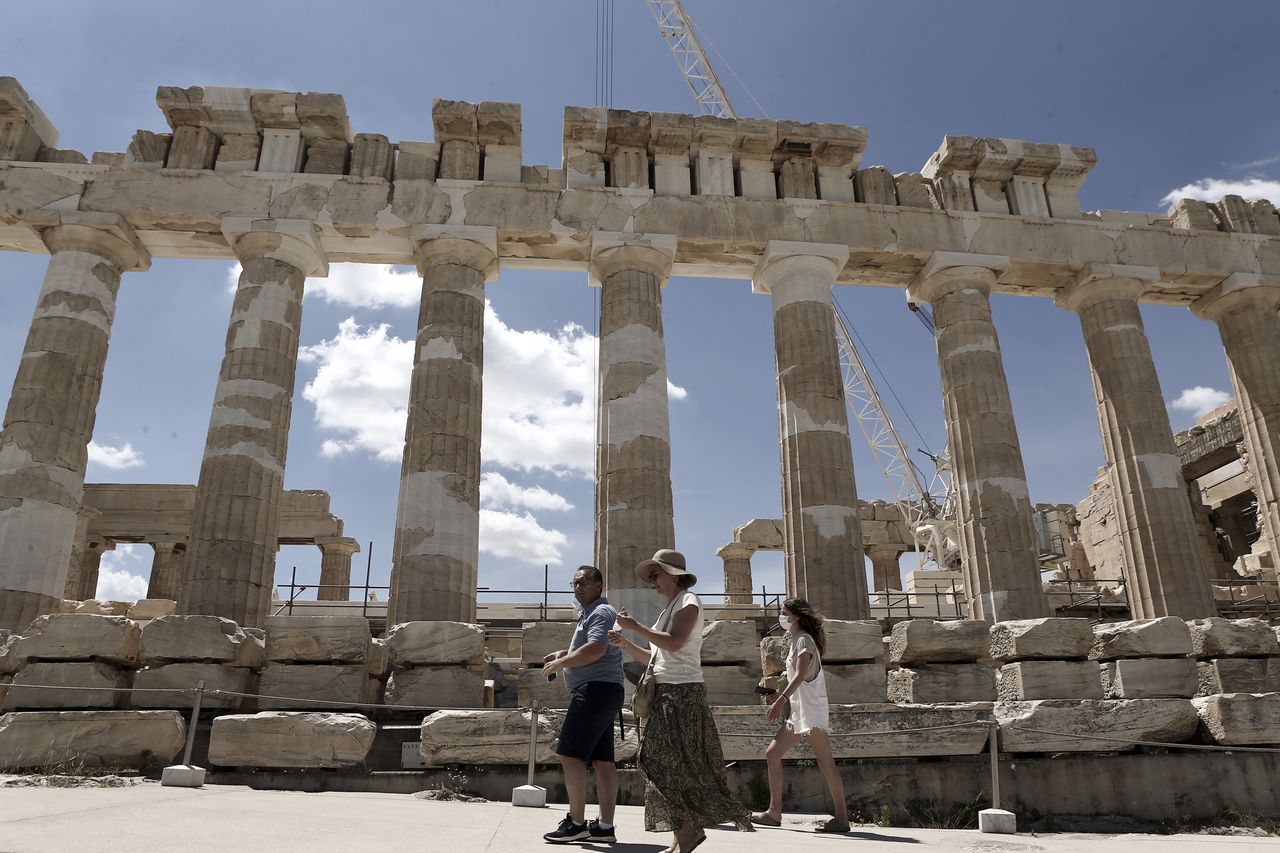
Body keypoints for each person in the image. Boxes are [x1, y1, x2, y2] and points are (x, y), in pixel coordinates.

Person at [609, 549, 753, 853]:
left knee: (663, 762)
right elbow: (657, 658)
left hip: (683, 694)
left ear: (673, 574)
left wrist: (636, 627)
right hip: (667, 692)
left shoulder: (689, 603)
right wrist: (627, 643)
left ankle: (688, 832)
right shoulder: (669, 608)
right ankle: (683, 835)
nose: (652, 582)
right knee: (672, 766)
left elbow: (674, 643)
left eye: (655, 575)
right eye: (650, 577)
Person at [750, 598, 849, 833]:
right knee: (772, 753)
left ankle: (843, 819)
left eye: (784, 612)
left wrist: (781, 700)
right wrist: (779, 695)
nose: (781, 616)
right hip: (799, 711)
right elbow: (795, 679)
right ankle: (774, 813)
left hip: (811, 711)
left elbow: (800, 675)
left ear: (795, 616)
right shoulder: (795, 639)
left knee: (826, 763)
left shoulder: (804, 639)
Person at [541, 565, 625, 844]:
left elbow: (597, 649)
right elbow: (595, 646)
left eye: (584, 582)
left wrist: (561, 662)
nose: (577, 587)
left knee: (569, 755)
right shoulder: (591, 613)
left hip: (594, 691)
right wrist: (565, 653)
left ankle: (576, 823)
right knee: (602, 761)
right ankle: (604, 827)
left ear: (599, 585)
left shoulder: (601, 611)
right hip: (605, 690)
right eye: (574, 583)